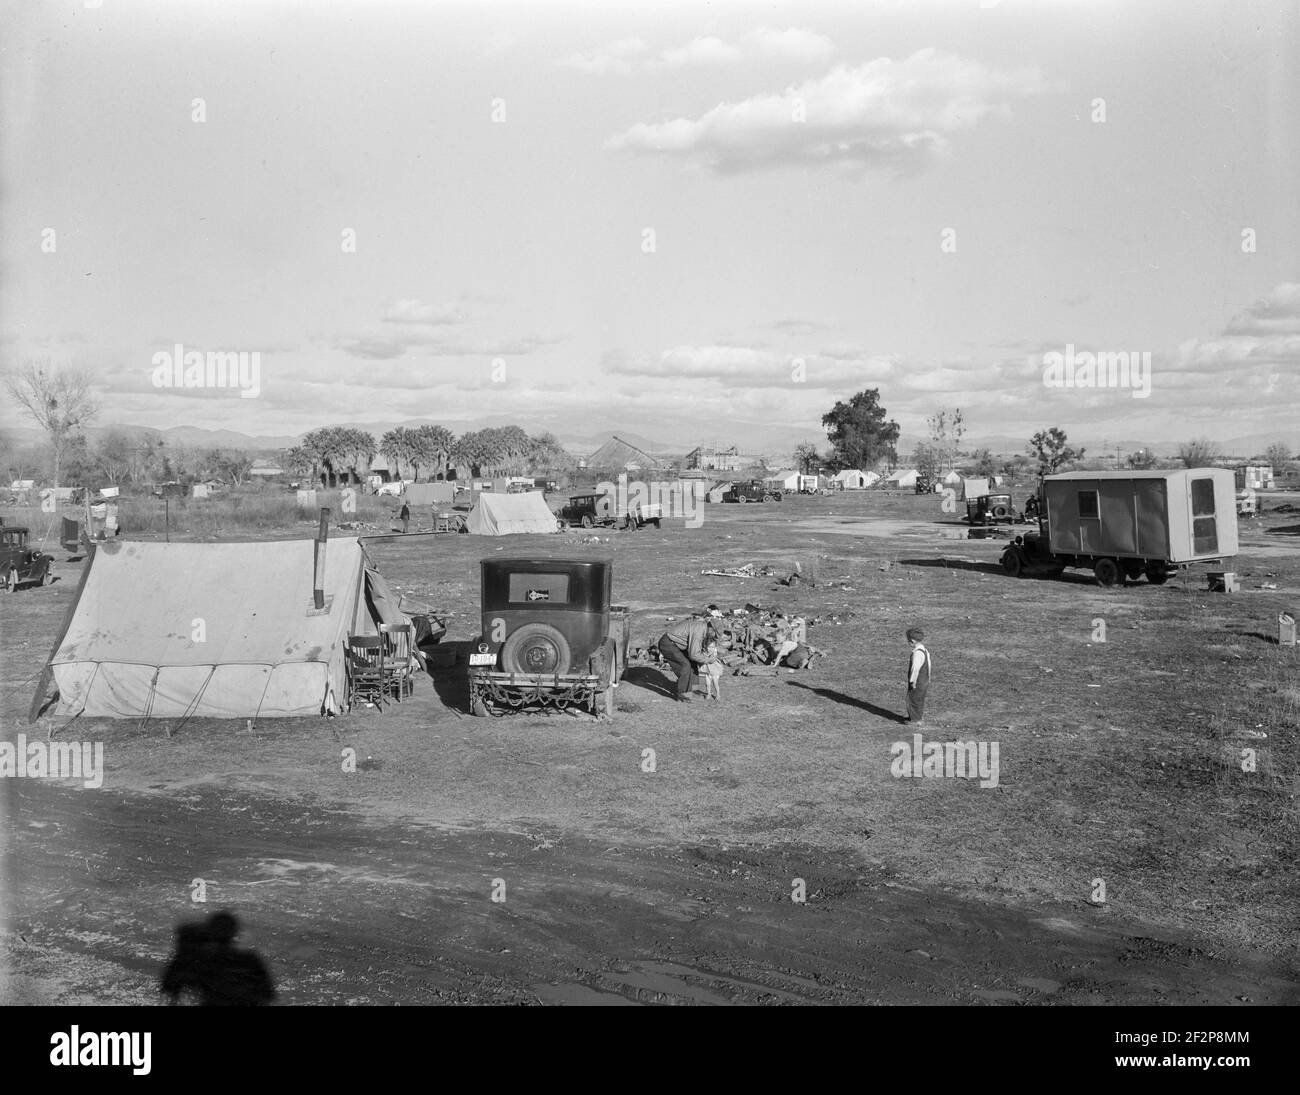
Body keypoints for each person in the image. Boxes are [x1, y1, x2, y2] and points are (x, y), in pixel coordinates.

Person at [160, 910, 276, 1006]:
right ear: (234, 932)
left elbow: (171, 987)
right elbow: (268, 995)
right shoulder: (249, 960)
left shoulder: (203, 962)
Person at [657, 617, 719, 703]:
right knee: (685, 666)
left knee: (693, 664)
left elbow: (696, 651)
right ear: (711, 629)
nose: (714, 637)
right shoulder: (699, 630)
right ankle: (682, 694)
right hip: (668, 643)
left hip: (678, 645)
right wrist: (708, 660)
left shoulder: (703, 629)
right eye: (715, 634)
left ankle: (692, 690)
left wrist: (706, 656)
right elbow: (693, 654)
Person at [905, 627, 932, 724]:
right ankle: (916, 717)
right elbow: (928, 665)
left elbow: (915, 669)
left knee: (913, 700)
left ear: (912, 641)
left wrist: (912, 681)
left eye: (908, 640)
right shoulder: (925, 650)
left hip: (917, 681)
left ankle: (916, 720)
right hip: (924, 681)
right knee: (919, 699)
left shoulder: (917, 654)